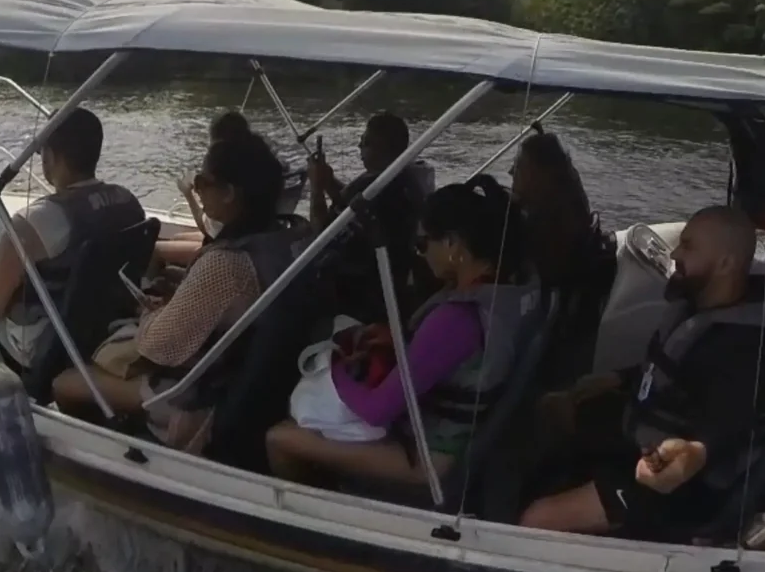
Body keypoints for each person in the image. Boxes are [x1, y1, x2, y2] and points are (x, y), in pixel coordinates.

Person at [522, 204, 765, 541]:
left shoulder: (754, 350)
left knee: (535, 518)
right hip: (643, 432)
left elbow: (721, 428)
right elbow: (667, 371)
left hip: (684, 486)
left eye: (688, 246)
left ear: (726, 264)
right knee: (554, 408)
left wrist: (690, 454)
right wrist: (620, 378)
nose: (674, 253)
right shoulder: (701, 307)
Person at [53, 112, 296, 448]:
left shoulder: (226, 264)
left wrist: (150, 312)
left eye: (202, 181)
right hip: (250, 381)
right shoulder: (284, 239)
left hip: (199, 401)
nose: (196, 187)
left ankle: (113, 459)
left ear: (229, 193)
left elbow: (158, 347)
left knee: (66, 381)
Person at [264, 176, 524, 489]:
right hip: (460, 434)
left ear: (453, 244)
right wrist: (402, 340)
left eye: (423, 244)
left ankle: (321, 513)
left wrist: (333, 368)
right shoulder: (506, 292)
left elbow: (376, 410)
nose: (421, 255)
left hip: (431, 457)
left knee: (280, 437)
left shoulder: (457, 318)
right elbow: (451, 356)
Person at [0, 106, 145, 376]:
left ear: (50, 157)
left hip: (41, 347)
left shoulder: (30, 224)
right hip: (101, 330)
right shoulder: (129, 203)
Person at [510, 126, 617, 377]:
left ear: (540, 173)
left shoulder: (553, 225)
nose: (511, 172)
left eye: (520, 165)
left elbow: (531, 274)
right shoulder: (566, 197)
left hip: (548, 314)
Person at [307, 109, 427, 317]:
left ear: (384, 148)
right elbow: (349, 206)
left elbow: (321, 236)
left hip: (360, 292)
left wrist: (316, 188)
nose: (359, 146)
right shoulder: (401, 179)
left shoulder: (376, 187)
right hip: (392, 278)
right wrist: (327, 181)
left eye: (366, 142)